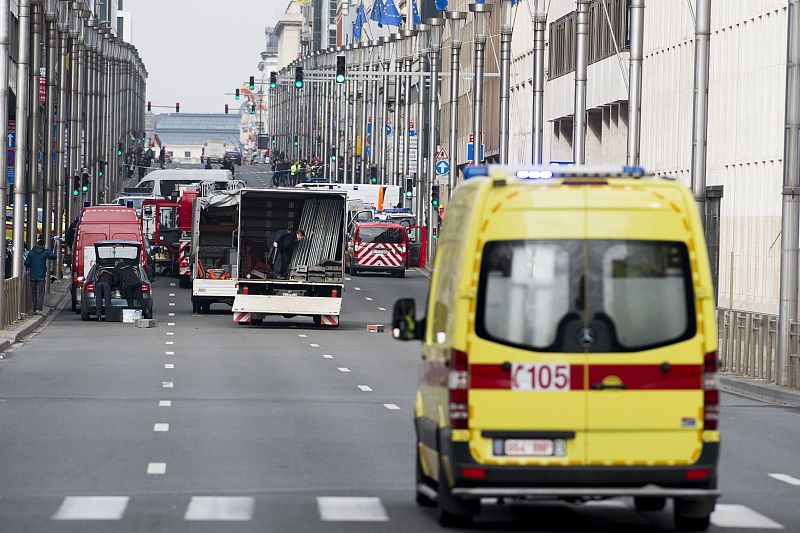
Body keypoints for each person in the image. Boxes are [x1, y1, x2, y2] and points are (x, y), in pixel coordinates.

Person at [24, 237, 57, 315]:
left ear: (37, 244)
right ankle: (39, 308)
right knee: (41, 292)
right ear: (43, 245)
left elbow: (26, 263)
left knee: (34, 292)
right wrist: (47, 250)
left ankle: (34, 308)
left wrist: (31, 266)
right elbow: (53, 256)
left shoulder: (31, 253)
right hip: (41, 275)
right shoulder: (44, 252)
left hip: (32, 275)